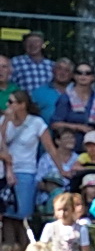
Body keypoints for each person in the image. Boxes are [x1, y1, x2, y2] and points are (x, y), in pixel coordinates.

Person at [3, 91, 52, 240]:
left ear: (22, 105)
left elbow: (50, 147)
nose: (8, 105)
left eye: (11, 102)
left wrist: (62, 169)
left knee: (23, 216)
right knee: (7, 216)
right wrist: (6, 120)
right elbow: (2, 141)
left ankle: (26, 250)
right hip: (5, 171)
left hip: (26, 171)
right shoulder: (4, 121)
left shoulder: (36, 122)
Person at [51, 62, 95, 139]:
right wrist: (78, 127)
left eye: (87, 73)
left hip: (92, 144)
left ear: (93, 77)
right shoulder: (65, 98)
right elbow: (55, 124)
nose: (83, 76)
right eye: (79, 73)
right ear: (74, 76)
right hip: (70, 143)